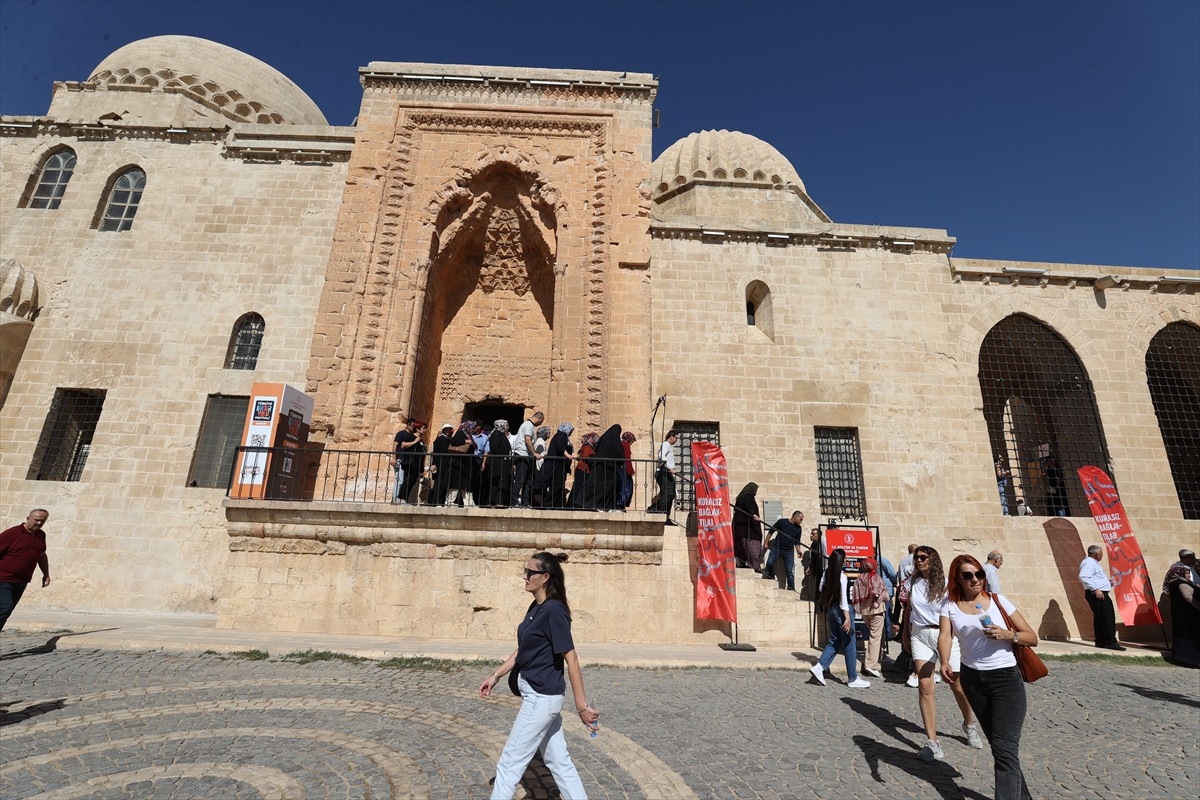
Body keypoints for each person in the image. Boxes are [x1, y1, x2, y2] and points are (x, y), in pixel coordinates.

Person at [479, 552, 599, 800]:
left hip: (541, 699)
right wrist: (496, 675)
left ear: (545, 577)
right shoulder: (537, 606)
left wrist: (582, 707)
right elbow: (525, 647)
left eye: (530, 572)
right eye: (525, 571)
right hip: (542, 699)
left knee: (509, 765)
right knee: (559, 763)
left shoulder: (555, 611)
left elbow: (572, 658)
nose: (524, 576)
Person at [939, 554, 1039, 800]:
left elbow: (1031, 637)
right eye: (968, 575)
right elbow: (944, 636)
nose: (975, 579)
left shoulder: (998, 601)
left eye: (979, 574)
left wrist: (1008, 635)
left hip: (1006, 679)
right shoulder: (949, 604)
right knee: (1000, 749)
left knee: (1005, 749)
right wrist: (943, 660)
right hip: (973, 680)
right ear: (957, 579)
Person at [903, 545, 981, 761]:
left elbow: (959, 608)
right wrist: (905, 635)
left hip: (945, 635)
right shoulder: (913, 582)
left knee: (958, 686)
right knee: (925, 686)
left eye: (923, 557)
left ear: (933, 559)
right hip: (920, 635)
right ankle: (932, 742)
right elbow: (909, 609)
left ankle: (969, 724)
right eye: (916, 557)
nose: (918, 561)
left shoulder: (947, 585)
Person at [809, 548, 870, 688]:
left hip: (831, 609)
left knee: (835, 640)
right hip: (842, 610)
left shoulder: (826, 572)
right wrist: (847, 618)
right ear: (840, 561)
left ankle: (819, 666)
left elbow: (820, 588)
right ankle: (852, 678)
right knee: (849, 643)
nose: (846, 560)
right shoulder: (842, 576)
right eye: (844, 558)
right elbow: (843, 600)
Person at [0, 509, 52, 631]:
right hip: (3, 579)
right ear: (28, 518)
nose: (39, 523)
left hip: (21, 581)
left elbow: (41, 554)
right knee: (5, 608)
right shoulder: (12, 534)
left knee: (6, 611)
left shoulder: (41, 535)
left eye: (42, 521)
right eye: (36, 520)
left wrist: (46, 574)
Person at [1079, 544, 1125, 650]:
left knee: (1101, 617)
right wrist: (1096, 589)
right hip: (1097, 594)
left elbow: (1093, 577)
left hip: (1098, 592)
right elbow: (1083, 576)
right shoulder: (1089, 563)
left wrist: (1106, 582)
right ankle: (1110, 642)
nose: (1102, 556)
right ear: (1096, 554)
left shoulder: (1092, 563)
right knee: (1107, 617)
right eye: (1101, 553)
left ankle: (1101, 641)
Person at [853, 557, 890, 678]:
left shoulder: (859, 578)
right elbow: (885, 595)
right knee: (875, 636)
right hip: (877, 610)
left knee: (878, 633)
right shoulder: (877, 578)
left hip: (865, 611)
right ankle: (870, 664)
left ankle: (881, 654)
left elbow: (855, 594)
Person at [1163, 549, 1200, 667]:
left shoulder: (1177, 582)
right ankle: (1188, 660)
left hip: (1184, 614)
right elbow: (1188, 597)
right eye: (1186, 573)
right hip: (1186, 614)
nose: (1188, 574)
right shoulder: (1180, 583)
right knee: (1187, 636)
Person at [582, 424, 625, 510]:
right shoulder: (615, 440)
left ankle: (594, 505)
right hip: (611, 468)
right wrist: (621, 463)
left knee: (598, 486)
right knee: (609, 488)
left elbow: (597, 449)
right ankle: (606, 506)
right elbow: (620, 454)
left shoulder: (603, 437)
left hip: (599, 466)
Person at [536, 423, 574, 509]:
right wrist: (568, 455)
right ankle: (548, 504)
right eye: (571, 431)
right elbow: (560, 447)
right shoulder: (562, 435)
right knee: (558, 485)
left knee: (558, 485)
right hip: (557, 465)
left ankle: (558, 505)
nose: (571, 433)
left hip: (557, 464)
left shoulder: (559, 435)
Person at [764, 510, 803, 590]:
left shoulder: (798, 529)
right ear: (795, 517)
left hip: (789, 551)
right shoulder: (782, 522)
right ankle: (771, 575)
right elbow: (771, 531)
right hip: (776, 548)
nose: (801, 521)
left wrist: (798, 551)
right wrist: (766, 542)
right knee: (769, 563)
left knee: (789, 571)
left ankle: (791, 588)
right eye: (801, 519)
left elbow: (797, 541)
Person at [512, 411, 544, 507]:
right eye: (541, 421)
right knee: (520, 480)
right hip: (522, 455)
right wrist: (534, 453)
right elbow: (527, 440)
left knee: (527, 480)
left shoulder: (528, 425)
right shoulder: (529, 425)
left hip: (526, 456)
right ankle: (514, 501)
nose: (541, 423)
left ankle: (525, 502)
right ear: (538, 418)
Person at [391, 419, 425, 505]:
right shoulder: (411, 436)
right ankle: (401, 498)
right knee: (407, 480)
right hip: (410, 463)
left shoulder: (421, 440)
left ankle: (404, 499)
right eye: (423, 428)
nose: (425, 430)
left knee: (412, 481)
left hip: (417, 464)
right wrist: (414, 442)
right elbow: (403, 445)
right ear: (417, 429)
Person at [732, 483, 763, 571]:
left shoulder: (741, 497)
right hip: (748, 529)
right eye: (755, 490)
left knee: (740, 546)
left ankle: (740, 563)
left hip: (740, 528)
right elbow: (747, 502)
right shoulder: (748, 495)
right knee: (753, 546)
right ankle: (755, 566)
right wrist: (753, 514)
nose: (756, 492)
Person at [444, 422, 478, 507]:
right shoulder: (461, 433)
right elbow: (454, 441)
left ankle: (469, 503)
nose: (473, 430)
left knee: (465, 484)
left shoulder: (469, 436)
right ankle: (449, 501)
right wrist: (465, 441)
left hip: (465, 464)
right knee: (456, 484)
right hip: (458, 463)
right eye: (472, 428)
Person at [648, 429, 678, 519]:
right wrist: (669, 468)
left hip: (666, 472)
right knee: (668, 494)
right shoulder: (666, 444)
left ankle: (666, 515)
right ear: (671, 437)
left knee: (671, 494)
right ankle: (657, 510)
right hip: (664, 472)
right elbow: (662, 456)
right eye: (676, 438)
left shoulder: (667, 445)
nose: (676, 440)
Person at [569, 432, 598, 508]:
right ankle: (573, 504)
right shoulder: (587, 446)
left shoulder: (590, 446)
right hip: (582, 469)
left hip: (585, 469)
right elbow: (585, 456)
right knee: (579, 487)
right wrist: (593, 456)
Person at [487, 420, 513, 507]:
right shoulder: (497, 434)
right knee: (501, 482)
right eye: (506, 425)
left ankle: (496, 501)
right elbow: (495, 446)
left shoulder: (498, 434)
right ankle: (498, 501)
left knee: (499, 482)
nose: (508, 427)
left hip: (500, 462)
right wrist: (503, 455)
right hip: (499, 463)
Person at [429, 423, 455, 505]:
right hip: (440, 462)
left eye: (449, 429)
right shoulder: (440, 439)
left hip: (447, 463)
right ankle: (436, 501)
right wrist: (434, 464)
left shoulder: (451, 440)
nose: (447, 431)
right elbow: (435, 451)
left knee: (445, 482)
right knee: (439, 481)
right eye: (446, 429)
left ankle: (442, 501)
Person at [800, 527, 824, 601]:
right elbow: (813, 558)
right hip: (816, 569)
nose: (811, 535)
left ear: (818, 535)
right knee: (817, 587)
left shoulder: (821, 545)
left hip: (822, 569)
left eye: (813, 534)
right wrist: (810, 567)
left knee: (821, 587)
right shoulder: (813, 544)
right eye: (811, 533)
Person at [618, 430, 637, 509]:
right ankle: (621, 503)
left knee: (624, 486)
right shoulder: (626, 445)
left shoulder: (622, 444)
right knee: (626, 487)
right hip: (625, 469)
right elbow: (627, 458)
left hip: (623, 468)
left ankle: (621, 503)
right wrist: (631, 470)